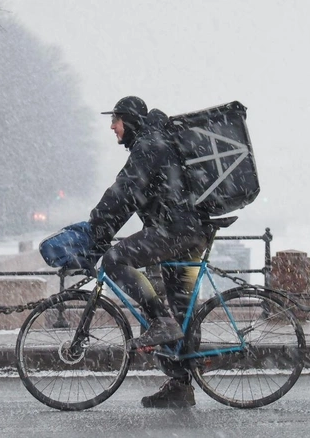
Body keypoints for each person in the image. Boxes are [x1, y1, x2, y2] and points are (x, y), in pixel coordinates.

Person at [86, 96, 211, 408]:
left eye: (115, 120)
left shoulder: (149, 144)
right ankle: (180, 386)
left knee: (115, 259)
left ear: (129, 120)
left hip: (175, 231)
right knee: (181, 312)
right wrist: (106, 225)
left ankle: (158, 320)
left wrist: (97, 224)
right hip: (189, 231)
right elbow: (131, 196)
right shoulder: (156, 141)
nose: (113, 128)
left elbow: (124, 191)